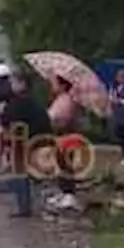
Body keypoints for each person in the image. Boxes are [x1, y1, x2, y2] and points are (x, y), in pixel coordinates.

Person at [0, 70, 51, 217]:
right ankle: (31, 204)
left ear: (22, 84)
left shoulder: (16, 104)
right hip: (37, 142)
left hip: (22, 144)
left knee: (20, 176)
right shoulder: (35, 102)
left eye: (14, 82)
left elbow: (6, 122)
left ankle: (24, 206)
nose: (11, 85)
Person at [46, 76, 81, 210]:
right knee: (60, 163)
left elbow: (61, 118)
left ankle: (69, 194)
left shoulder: (67, 100)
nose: (52, 85)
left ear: (62, 85)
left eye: (54, 83)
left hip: (65, 136)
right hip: (59, 136)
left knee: (65, 163)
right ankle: (63, 191)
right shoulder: (60, 99)